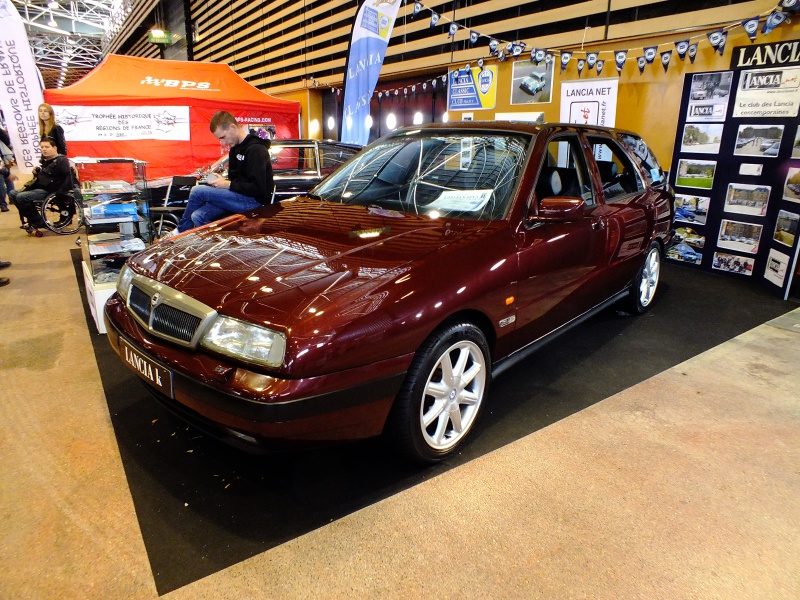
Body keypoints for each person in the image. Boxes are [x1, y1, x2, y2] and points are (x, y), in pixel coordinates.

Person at [174, 111, 273, 233]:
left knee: (197, 191)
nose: (223, 143)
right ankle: (216, 245)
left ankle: (180, 232)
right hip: (238, 197)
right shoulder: (234, 150)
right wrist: (220, 181)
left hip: (254, 202)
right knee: (198, 216)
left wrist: (227, 184)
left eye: (223, 137)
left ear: (232, 127)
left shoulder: (256, 149)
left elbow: (259, 189)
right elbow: (233, 180)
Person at [8, 137, 72, 229]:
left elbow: (69, 176)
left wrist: (62, 191)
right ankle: (32, 218)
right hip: (40, 187)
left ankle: (39, 222)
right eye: (42, 147)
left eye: (47, 147)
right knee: (13, 193)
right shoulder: (44, 161)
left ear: (54, 148)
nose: (44, 149)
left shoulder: (61, 160)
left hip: (51, 190)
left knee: (21, 197)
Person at [0, 127, 15, 212]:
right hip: (4, 154)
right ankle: (12, 198)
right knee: (8, 178)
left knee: (1, 181)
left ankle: (3, 205)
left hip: (2, 155)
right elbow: (6, 139)